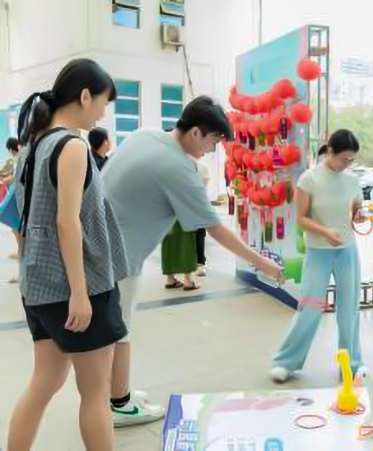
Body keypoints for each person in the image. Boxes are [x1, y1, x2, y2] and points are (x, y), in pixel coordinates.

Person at [101, 95, 284, 426]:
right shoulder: (178, 167)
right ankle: (119, 404)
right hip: (119, 259)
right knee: (120, 330)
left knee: (113, 328)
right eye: (213, 141)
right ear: (196, 132)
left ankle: (116, 390)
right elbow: (215, 228)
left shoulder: (144, 135)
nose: (211, 150)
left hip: (98, 246)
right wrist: (263, 262)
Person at [7, 59, 129, 451]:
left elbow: (24, 216)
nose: (103, 112)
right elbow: (67, 221)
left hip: (38, 285)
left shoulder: (34, 144)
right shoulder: (72, 146)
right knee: (95, 394)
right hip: (78, 287)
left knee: (45, 382)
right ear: (85, 95)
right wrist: (79, 292)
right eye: (104, 102)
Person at [271, 129, 366, 383]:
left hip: (347, 251)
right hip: (318, 252)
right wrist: (325, 232)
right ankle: (285, 362)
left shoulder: (352, 180)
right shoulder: (309, 179)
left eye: (352, 160)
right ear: (330, 151)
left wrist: (359, 215)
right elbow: (300, 218)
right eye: (344, 159)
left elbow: (357, 207)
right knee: (310, 308)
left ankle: (352, 365)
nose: (348, 164)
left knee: (349, 310)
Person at [1, 137, 23, 267]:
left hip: (16, 196)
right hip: (16, 195)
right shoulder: (20, 158)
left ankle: (21, 253)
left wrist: (6, 180)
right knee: (16, 227)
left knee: (17, 227)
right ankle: (20, 252)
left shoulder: (20, 158)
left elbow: (16, 178)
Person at [161, 220, 199, 291]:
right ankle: (188, 280)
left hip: (165, 218)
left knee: (168, 243)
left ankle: (170, 279)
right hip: (183, 217)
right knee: (186, 242)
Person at [195, 157, 211, 277]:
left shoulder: (203, 167)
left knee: (199, 234)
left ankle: (200, 263)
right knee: (198, 234)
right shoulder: (203, 167)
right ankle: (199, 263)